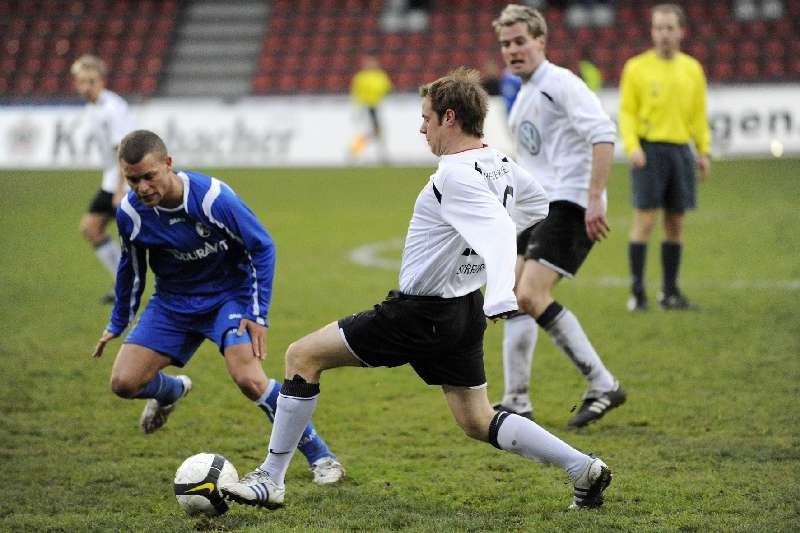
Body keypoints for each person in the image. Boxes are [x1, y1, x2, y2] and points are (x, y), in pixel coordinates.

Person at [222, 68, 613, 510]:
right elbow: (538, 203)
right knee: (477, 418)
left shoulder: (454, 175)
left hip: (418, 315)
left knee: (301, 356)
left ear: (449, 117)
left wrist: (502, 292)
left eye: (425, 117)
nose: (421, 127)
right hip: (461, 312)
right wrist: (477, 251)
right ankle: (582, 468)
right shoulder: (499, 162)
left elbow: (503, 228)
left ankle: (271, 479)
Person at [91, 130, 345, 485]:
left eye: (149, 176)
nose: (143, 187)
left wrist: (257, 314)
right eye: (133, 179)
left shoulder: (212, 199)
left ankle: (322, 458)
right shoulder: (131, 214)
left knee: (249, 379)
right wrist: (118, 321)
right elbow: (130, 270)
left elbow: (263, 247)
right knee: (123, 383)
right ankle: (172, 391)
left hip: (229, 297)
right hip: (172, 303)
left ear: (168, 163)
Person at [491, 4, 625, 428]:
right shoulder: (525, 92)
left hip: (568, 202)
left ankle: (603, 384)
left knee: (531, 295)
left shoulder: (561, 83)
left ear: (540, 41)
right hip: (536, 207)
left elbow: (603, 134)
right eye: (505, 44)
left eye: (520, 41)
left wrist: (595, 196)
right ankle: (516, 400)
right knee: (511, 295)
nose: (513, 50)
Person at [618, 3, 711, 311]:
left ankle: (669, 293)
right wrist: (632, 146)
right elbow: (627, 113)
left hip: (680, 151)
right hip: (649, 150)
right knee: (644, 220)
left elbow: (699, 115)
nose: (664, 34)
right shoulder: (636, 68)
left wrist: (703, 151)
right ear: (652, 32)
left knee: (675, 223)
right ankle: (638, 292)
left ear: (681, 31)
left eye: (670, 28)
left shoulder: (692, 69)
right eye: (659, 28)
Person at [71, 54, 136, 303]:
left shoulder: (112, 108)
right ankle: (126, 283)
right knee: (93, 229)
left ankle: (127, 283)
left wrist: (120, 190)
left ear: (102, 81)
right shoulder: (95, 106)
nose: (87, 87)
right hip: (112, 179)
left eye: (92, 81)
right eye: (82, 82)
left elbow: (124, 149)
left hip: (122, 180)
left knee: (91, 227)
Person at [349, 54, 393, 162]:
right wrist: (357, 108)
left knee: (374, 131)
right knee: (372, 131)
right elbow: (355, 93)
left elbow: (388, 88)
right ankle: (356, 152)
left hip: (375, 107)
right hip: (365, 107)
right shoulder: (361, 77)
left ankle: (356, 152)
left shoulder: (380, 76)